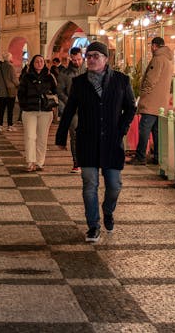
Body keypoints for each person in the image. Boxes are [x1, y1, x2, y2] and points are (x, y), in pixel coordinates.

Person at [55, 41, 136, 243]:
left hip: (112, 141)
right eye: (88, 55)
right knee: (89, 184)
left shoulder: (121, 80)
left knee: (114, 185)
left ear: (106, 59)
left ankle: (108, 211)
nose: (91, 59)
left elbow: (130, 108)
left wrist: (122, 129)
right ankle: (93, 226)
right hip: (88, 141)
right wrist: (61, 135)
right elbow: (70, 109)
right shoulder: (80, 83)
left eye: (95, 56)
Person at [135, 37, 175, 164]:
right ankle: (157, 156)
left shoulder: (157, 59)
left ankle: (140, 156)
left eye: (151, 46)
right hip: (161, 102)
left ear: (154, 46)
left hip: (151, 101)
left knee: (144, 129)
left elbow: (151, 80)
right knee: (156, 131)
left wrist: (143, 94)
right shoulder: (168, 60)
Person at [18, 54, 58, 172]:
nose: (39, 63)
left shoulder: (50, 77)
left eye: (41, 61)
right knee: (30, 137)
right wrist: (24, 105)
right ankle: (31, 162)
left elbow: (56, 91)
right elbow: (20, 93)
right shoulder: (26, 77)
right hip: (29, 111)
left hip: (45, 111)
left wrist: (53, 105)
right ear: (32, 63)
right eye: (37, 61)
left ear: (44, 63)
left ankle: (40, 162)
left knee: (42, 137)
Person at [57, 46, 85, 173]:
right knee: (74, 135)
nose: (77, 62)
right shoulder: (64, 73)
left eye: (79, 59)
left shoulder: (89, 70)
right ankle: (76, 162)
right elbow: (60, 91)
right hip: (73, 110)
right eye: (74, 60)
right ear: (70, 58)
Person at [0, 53, 19, 129]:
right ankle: (10, 125)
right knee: (10, 109)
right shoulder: (11, 67)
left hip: (1, 92)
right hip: (10, 92)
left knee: (1, 109)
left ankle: (0, 125)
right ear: (9, 58)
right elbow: (14, 79)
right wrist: (18, 85)